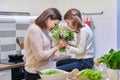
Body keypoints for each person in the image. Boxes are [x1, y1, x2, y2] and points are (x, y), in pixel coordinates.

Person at [24, 8, 65, 80]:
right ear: (48, 18)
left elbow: (47, 50)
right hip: (35, 74)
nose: (54, 27)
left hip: (45, 72)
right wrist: (57, 47)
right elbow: (40, 56)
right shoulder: (34, 29)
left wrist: (57, 46)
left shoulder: (44, 30)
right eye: (55, 24)